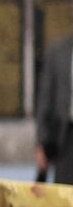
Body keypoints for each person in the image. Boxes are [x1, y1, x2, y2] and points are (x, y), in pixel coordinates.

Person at [37, 30, 73, 184]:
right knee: (65, 195)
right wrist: (41, 142)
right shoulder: (58, 51)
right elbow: (46, 99)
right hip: (66, 136)